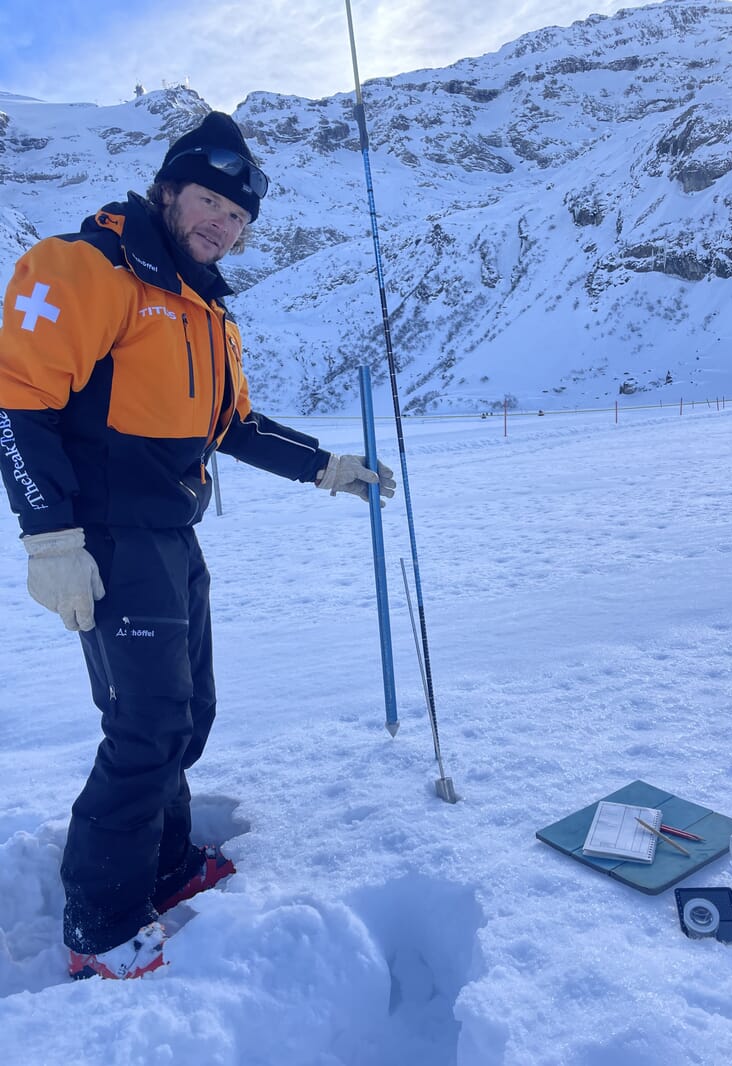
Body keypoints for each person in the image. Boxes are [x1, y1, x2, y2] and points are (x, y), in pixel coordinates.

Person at [0, 111, 395, 980]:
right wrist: (49, 537)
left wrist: (325, 466)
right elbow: (17, 401)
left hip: (172, 533)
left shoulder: (203, 309)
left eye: (239, 218)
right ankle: (99, 924)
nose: (223, 224)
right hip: (104, 533)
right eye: (211, 201)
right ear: (169, 190)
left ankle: (168, 864)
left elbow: (233, 424)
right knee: (144, 729)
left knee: (188, 717)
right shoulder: (87, 268)